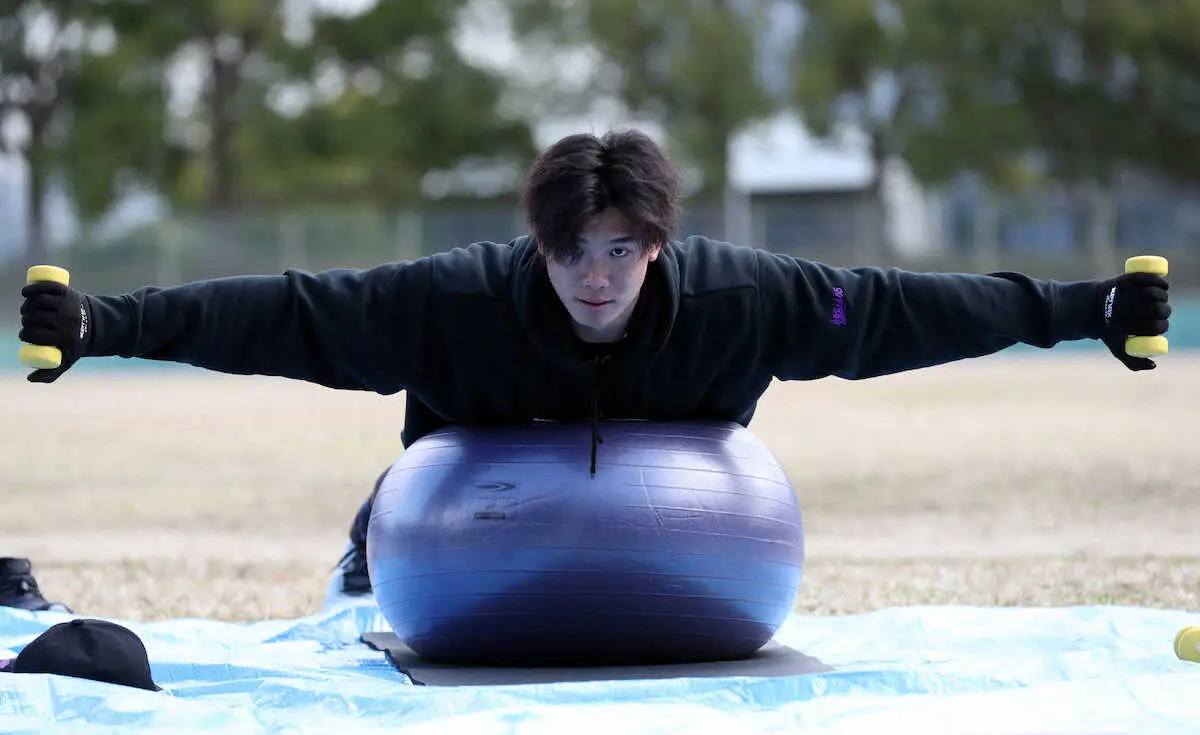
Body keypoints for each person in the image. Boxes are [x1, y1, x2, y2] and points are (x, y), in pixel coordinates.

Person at [16, 129, 1172, 606]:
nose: (597, 276)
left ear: (657, 243)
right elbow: (289, 314)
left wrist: (1084, 306)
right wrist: (104, 321)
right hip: (459, 550)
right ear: (541, 245)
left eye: (621, 249)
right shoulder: (459, 300)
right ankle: (362, 571)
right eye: (573, 251)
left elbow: (890, 312)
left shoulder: (737, 298)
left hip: (685, 554)